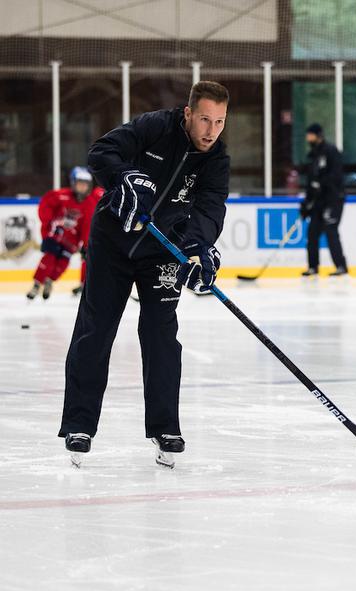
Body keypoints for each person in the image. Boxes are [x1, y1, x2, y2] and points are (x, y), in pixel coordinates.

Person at [59, 81, 231, 469]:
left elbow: (209, 208)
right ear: (188, 114)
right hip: (113, 243)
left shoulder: (216, 159)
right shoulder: (155, 126)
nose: (211, 130)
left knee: (161, 335)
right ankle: (79, 424)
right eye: (204, 119)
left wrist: (197, 248)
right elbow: (102, 152)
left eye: (219, 121)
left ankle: (165, 426)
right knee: (96, 328)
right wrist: (124, 179)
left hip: (160, 251)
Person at [27, 167, 103, 301]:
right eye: (80, 183)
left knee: (63, 263)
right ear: (73, 183)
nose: (83, 187)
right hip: (55, 235)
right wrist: (49, 222)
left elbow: (86, 227)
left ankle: (50, 281)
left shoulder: (89, 203)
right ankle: (37, 284)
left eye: (85, 184)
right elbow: (45, 206)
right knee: (49, 258)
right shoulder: (61, 195)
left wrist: (85, 245)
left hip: (71, 241)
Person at [300, 123, 348, 277]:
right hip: (318, 202)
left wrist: (323, 183)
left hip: (333, 200)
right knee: (312, 233)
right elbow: (310, 182)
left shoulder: (331, 151)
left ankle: (341, 266)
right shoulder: (313, 155)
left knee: (330, 230)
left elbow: (337, 176)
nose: (308, 138)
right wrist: (306, 204)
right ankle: (313, 267)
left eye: (310, 135)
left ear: (317, 135)